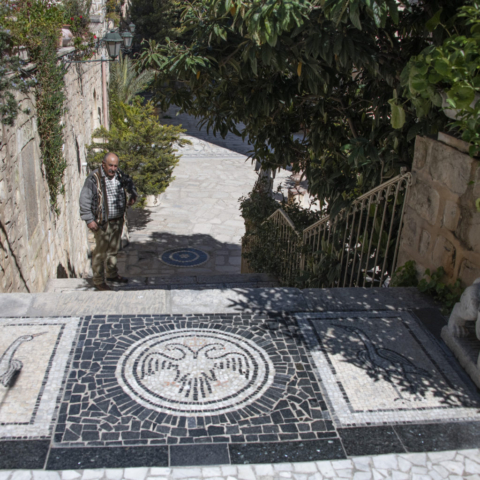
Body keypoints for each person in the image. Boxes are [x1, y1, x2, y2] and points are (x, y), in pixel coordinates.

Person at [80, 152, 137, 291]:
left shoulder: (119, 175)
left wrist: (133, 195)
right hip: (103, 223)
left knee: (113, 250)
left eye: (115, 166)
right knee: (100, 253)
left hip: (117, 220)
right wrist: (89, 219)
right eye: (110, 165)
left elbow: (130, 184)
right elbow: (84, 199)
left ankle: (112, 274)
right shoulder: (94, 179)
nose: (113, 169)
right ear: (103, 164)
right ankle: (99, 281)